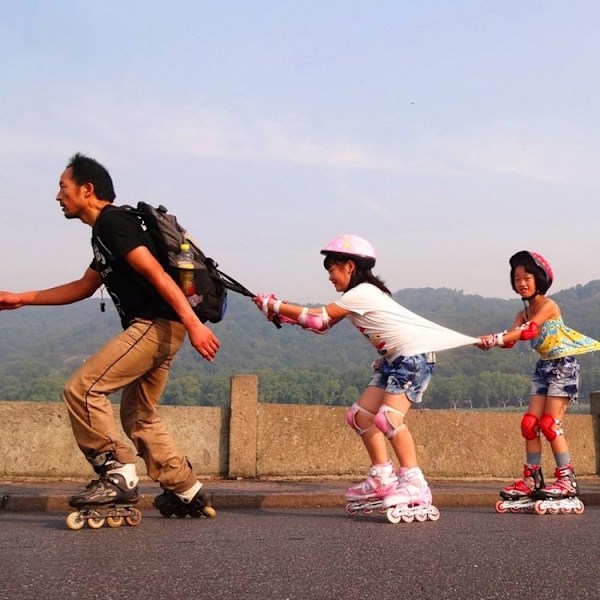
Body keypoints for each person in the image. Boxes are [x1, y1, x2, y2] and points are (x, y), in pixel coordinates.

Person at [0, 153, 220, 517]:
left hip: (154, 325)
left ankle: (117, 474)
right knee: (140, 416)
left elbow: (155, 273)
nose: (58, 196)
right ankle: (186, 489)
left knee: (84, 388)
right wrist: (20, 298)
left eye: (62, 187)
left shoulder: (112, 223)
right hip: (167, 329)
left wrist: (195, 324)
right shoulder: (106, 234)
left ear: (87, 190)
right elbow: (85, 287)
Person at [254, 234, 479, 517]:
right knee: (360, 416)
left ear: (349, 266)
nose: (330, 277)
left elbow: (318, 318)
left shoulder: (363, 292)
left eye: (332, 270)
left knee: (388, 418)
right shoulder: (357, 295)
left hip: (414, 357)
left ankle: (414, 482)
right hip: (392, 360)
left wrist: (275, 305)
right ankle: (382, 478)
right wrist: (281, 315)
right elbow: (321, 326)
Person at [477, 250, 600, 508]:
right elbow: (512, 337)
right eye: (517, 278)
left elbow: (529, 330)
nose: (521, 282)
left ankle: (567, 479)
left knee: (549, 424)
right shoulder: (522, 312)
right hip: (543, 367)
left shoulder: (548, 306)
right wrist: (490, 341)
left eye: (527, 277)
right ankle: (532, 478)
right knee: (529, 424)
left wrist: (499, 338)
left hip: (563, 366)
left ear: (539, 279)